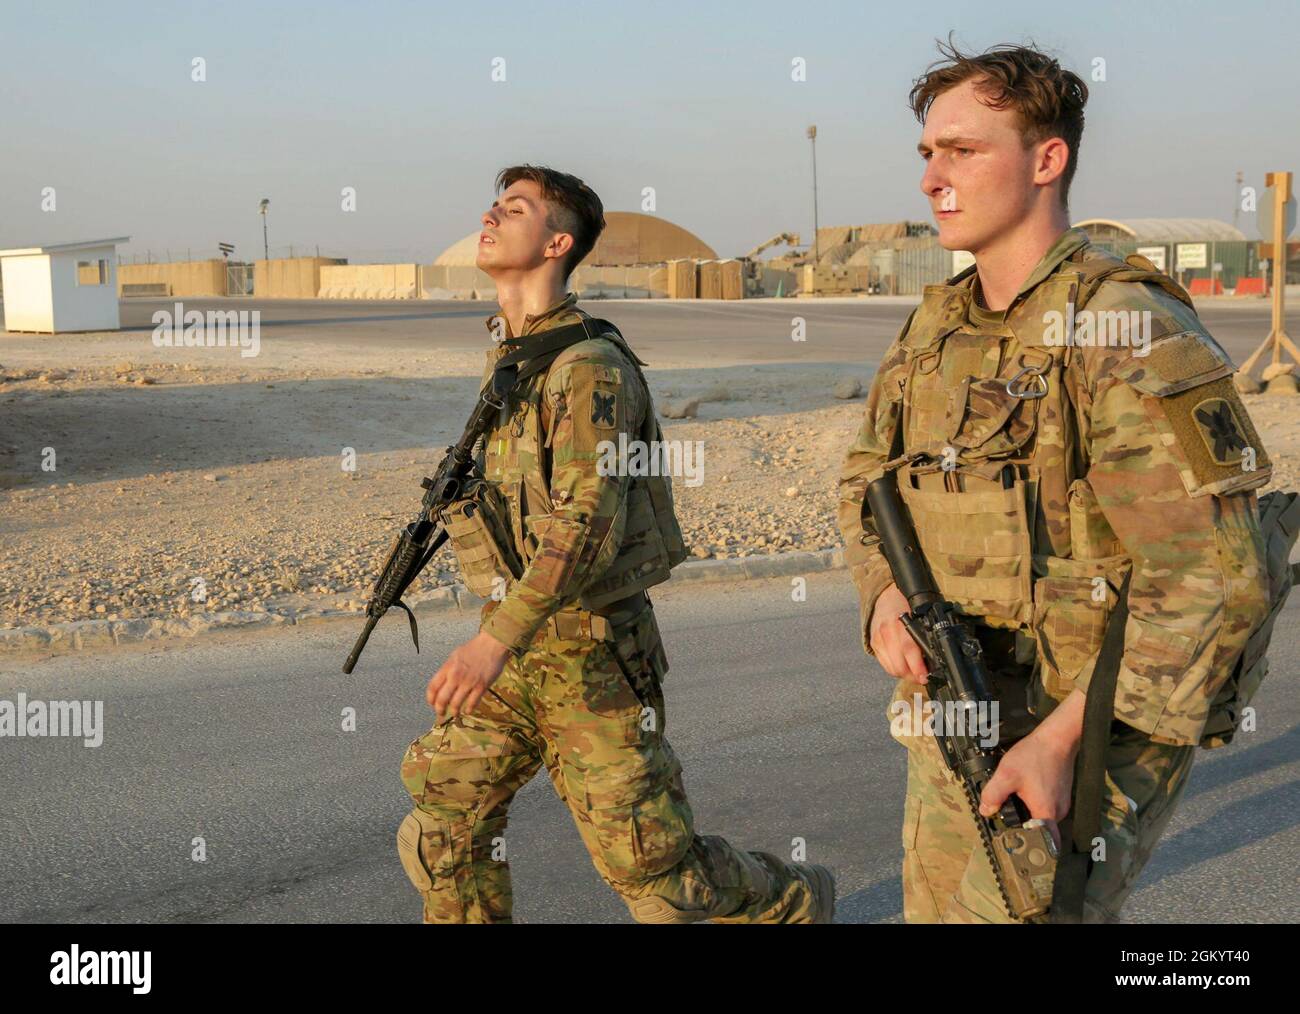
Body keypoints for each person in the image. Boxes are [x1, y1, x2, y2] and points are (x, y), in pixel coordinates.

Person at [837, 42, 1272, 923]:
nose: (932, 178)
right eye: (927, 153)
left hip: (1098, 715)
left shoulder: (1124, 328)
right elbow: (864, 479)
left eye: (963, 150)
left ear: (1047, 159)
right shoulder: (937, 327)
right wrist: (881, 592)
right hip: (956, 703)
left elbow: (1214, 582)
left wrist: (1061, 739)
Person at [397, 164, 835, 924]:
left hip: (591, 655)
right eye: (494, 205)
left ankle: (789, 901)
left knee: (654, 870)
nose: (491, 216)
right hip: (519, 644)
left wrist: (488, 644)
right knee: (441, 822)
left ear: (557, 243)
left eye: (515, 209)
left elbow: (585, 529)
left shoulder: (587, 368)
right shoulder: (517, 356)